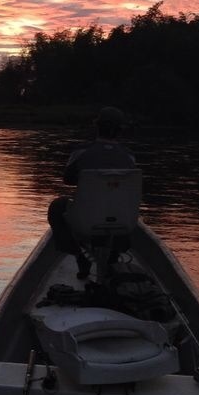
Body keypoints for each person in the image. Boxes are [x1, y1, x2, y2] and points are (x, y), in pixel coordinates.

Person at [48, 106, 136, 279]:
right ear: (120, 131)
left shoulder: (80, 152)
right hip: (120, 220)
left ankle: (80, 257)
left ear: (97, 127)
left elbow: (68, 180)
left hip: (86, 220)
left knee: (57, 206)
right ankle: (113, 256)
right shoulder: (129, 157)